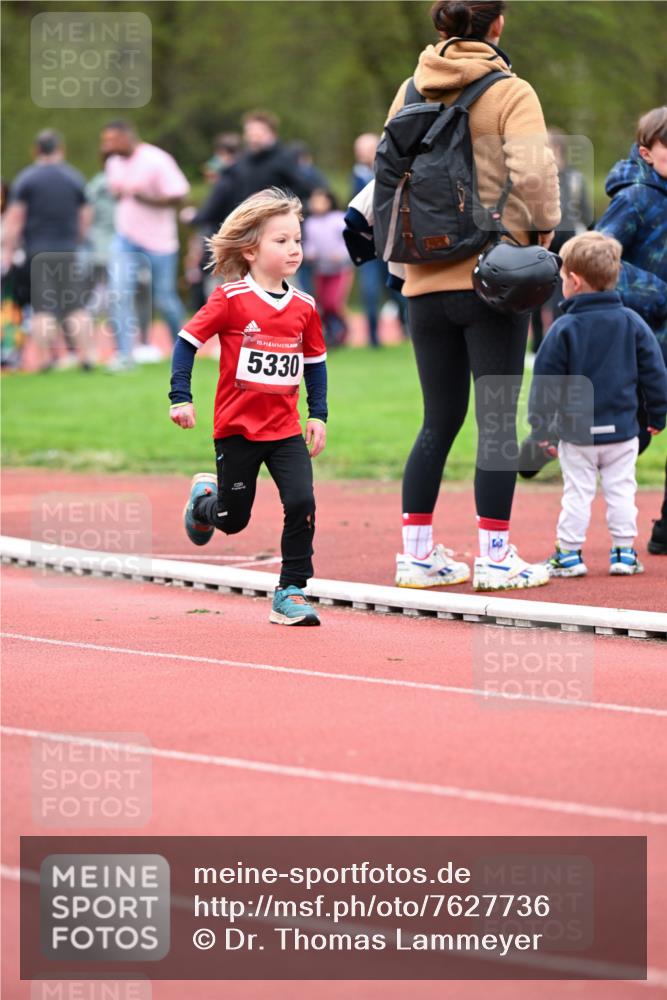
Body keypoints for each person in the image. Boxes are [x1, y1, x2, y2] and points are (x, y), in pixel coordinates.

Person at [386, 0, 560, 592]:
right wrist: (539, 243)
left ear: (441, 26)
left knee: (437, 420)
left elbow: (388, 175)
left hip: (421, 279)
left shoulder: (411, 88)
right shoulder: (511, 91)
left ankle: (416, 555)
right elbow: (535, 176)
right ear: (498, 24)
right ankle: (494, 554)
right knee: (494, 421)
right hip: (494, 276)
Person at [168, 188, 328, 626]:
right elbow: (186, 343)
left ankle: (291, 590)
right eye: (281, 241)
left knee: (302, 500)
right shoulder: (231, 298)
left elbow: (315, 363)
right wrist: (180, 397)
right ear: (251, 249)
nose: (293, 248)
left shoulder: (305, 306)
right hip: (237, 430)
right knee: (232, 521)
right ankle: (204, 503)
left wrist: (318, 414)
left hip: (284, 430)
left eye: (297, 239)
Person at [527, 232, 667, 577]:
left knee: (577, 493)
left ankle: (570, 555)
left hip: (577, 435)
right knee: (622, 491)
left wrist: (541, 429)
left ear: (574, 281)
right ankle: (624, 553)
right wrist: (658, 414)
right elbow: (655, 372)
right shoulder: (632, 323)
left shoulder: (563, 329)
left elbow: (545, 384)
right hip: (623, 430)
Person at [596, 106, 667, 556]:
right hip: (643, 340)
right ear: (647, 152)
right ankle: (553, 446)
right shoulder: (635, 199)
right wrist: (659, 291)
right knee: (631, 437)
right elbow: (595, 259)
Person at [2, 129, 94, 371]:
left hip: (37, 251)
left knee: (44, 308)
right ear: (60, 149)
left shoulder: (26, 179)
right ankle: (86, 357)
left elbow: (15, 219)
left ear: (36, 150)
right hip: (68, 250)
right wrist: (78, 239)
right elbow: (85, 214)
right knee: (75, 305)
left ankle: (43, 361)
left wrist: (9, 250)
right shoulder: (74, 177)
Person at [102, 120, 190, 371]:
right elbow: (118, 193)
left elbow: (180, 196)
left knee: (164, 297)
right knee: (119, 293)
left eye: (112, 140)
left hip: (159, 241)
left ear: (127, 137)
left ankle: (183, 349)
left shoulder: (157, 159)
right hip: (125, 238)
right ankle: (124, 355)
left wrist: (147, 198)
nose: (107, 146)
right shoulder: (113, 163)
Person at [529, 127, 592, 353]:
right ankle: (538, 344)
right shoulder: (540, 178)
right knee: (536, 291)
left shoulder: (572, 179)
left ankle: (553, 341)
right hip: (542, 239)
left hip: (563, 242)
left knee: (559, 292)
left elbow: (585, 214)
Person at [350, 133, 407, 347]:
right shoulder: (355, 176)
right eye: (360, 149)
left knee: (397, 289)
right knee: (370, 290)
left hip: (391, 242)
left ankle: (406, 327)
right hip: (369, 244)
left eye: (367, 148)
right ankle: (373, 338)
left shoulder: (391, 171)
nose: (363, 153)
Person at [303, 189, 353, 346]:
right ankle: (331, 333)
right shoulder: (310, 223)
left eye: (321, 201)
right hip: (320, 269)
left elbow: (348, 241)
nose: (317, 205)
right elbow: (308, 244)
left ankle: (345, 327)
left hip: (339, 269)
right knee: (322, 305)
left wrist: (341, 253)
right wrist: (309, 253)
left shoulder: (339, 219)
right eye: (314, 201)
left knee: (333, 303)